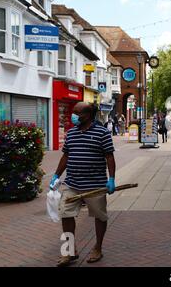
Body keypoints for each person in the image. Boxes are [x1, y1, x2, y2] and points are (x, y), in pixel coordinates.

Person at [50, 102, 116, 267]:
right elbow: (66, 156)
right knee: (66, 214)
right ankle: (70, 251)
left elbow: (109, 157)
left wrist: (112, 179)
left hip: (95, 185)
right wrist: (56, 175)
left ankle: (97, 248)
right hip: (72, 183)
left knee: (100, 217)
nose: (73, 115)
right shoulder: (71, 133)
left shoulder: (102, 133)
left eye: (77, 112)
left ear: (87, 115)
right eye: (73, 111)